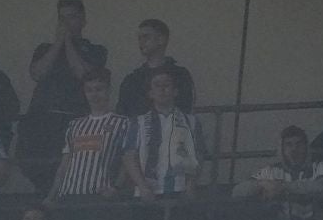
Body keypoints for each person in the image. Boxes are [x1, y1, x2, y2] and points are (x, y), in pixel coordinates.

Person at [20, 0, 107, 190]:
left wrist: (68, 42)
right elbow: (38, 73)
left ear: (83, 20)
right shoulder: (44, 49)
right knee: (40, 172)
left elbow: (84, 75)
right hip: (42, 122)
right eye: (62, 19)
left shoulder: (95, 50)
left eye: (72, 17)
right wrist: (58, 42)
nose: (66, 23)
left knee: (76, 170)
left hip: (76, 121)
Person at [48, 67, 144, 200]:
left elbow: (127, 160)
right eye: (89, 90)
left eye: (99, 89)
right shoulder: (74, 125)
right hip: (68, 195)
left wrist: (116, 188)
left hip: (99, 195)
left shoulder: (123, 123)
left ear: (108, 90)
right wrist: (51, 196)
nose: (94, 95)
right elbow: (65, 164)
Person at [129, 67, 210, 198]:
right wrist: (141, 186)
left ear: (175, 91)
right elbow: (129, 156)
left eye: (166, 85)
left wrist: (191, 183)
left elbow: (199, 154)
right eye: (157, 85)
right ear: (150, 93)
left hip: (180, 188)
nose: (162, 89)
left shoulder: (191, 121)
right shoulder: (138, 123)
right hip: (147, 191)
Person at [115, 18, 194, 116]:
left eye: (146, 37)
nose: (141, 42)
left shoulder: (180, 75)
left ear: (161, 39)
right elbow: (122, 112)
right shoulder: (132, 79)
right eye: (139, 38)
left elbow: (186, 108)